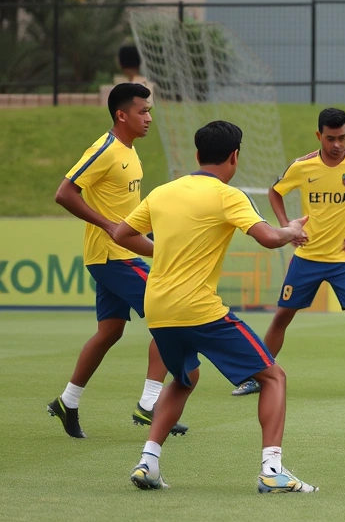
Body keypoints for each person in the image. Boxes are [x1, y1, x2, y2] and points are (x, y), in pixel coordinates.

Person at [114, 120, 317, 493]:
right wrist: (291, 231)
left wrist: (162, 251)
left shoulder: (163, 192)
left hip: (158, 307)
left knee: (184, 378)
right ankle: (272, 471)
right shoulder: (228, 195)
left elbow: (121, 234)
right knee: (273, 377)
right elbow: (270, 238)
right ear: (234, 157)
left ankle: (148, 463)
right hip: (199, 309)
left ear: (197, 154)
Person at [48, 82, 187, 439]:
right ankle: (150, 404)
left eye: (150, 111)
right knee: (169, 315)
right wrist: (110, 226)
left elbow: (126, 209)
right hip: (114, 256)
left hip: (117, 254)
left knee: (110, 331)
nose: (149, 118)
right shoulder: (105, 149)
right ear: (121, 114)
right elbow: (64, 193)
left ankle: (68, 401)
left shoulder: (130, 151)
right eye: (143, 111)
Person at [230, 108, 345, 398]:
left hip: (344, 259)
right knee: (282, 316)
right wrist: (287, 227)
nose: (337, 145)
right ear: (318, 135)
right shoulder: (302, 166)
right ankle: (258, 376)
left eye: (343, 138)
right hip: (307, 257)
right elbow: (275, 191)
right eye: (331, 138)